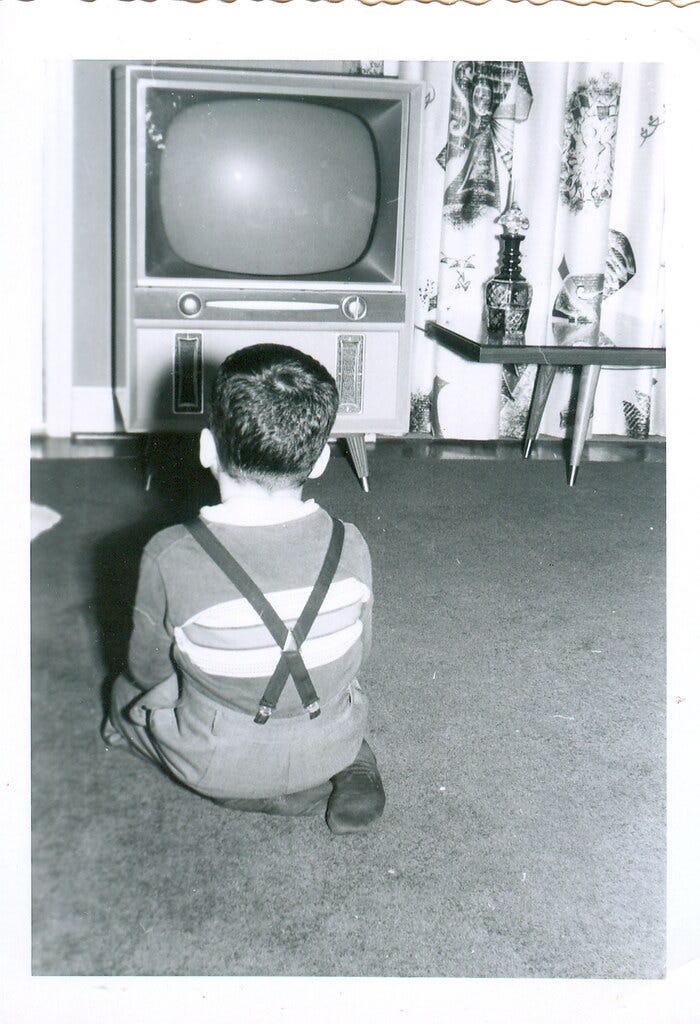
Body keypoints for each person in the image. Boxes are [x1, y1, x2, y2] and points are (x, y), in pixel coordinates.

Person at [102, 343, 385, 835]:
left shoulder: (170, 553)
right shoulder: (351, 542)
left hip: (218, 759)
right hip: (330, 735)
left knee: (123, 695)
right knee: (334, 678)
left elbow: (147, 668)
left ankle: (258, 791)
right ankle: (348, 763)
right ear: (320, 460)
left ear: (206, 448)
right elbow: (360, 650)